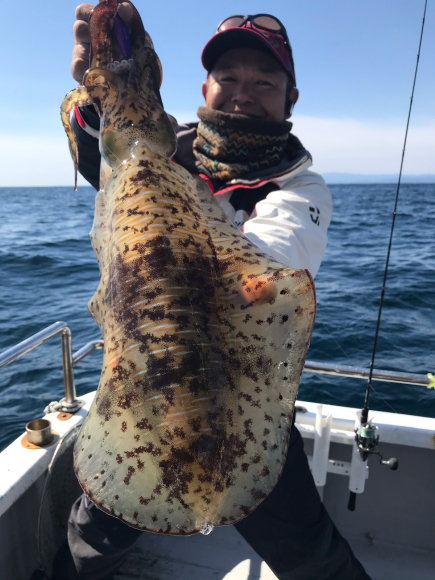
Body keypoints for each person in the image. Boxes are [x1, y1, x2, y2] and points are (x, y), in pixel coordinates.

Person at [54, 5, 371, 580]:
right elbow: (108, 152)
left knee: (310, 554)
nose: (243, 94)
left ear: (290, 98)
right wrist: (96, 96)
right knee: (94, 532)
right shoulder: (159, 145)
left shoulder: (300, 187)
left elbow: (263, 277)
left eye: (264, 82)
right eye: (229, 79)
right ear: (204, 86)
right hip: (141, 389)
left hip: (244, 400)